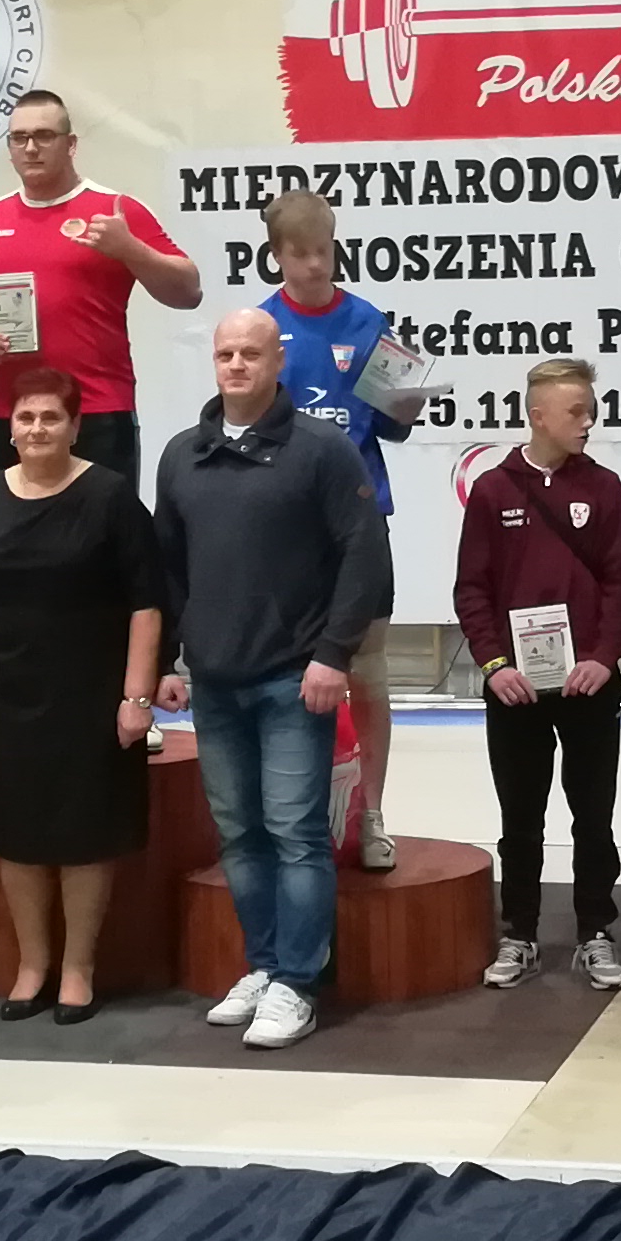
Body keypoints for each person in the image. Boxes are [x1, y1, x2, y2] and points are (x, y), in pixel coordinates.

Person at [153, 308, 391, 1054]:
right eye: (225, 353)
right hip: (214, 683)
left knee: (295, 833)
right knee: (239, 833)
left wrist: (333, 656)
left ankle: (298, 983)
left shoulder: (322, 451)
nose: (236, 365)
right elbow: (168, 568)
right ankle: (262, 965)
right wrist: (165, 660)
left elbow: (364, 557)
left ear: (277, 360)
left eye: (250, 353)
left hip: (296, 679)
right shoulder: (182, 455)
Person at [0, 361, 165, 1024]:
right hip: (5, 695)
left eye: (51, 417)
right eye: (26, 417)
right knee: (16, 834)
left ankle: (78, 969)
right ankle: (32, 965)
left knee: (84, 834)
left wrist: (137, 697)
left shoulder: (111, 496)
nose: (37, 427)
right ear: (9, 428)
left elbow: (147, 604)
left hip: (91, 696)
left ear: (75, 427)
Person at [456, 356, 621, 991]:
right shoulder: (494, 489)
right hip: (516, 688)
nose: (589, 421)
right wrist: (494, 664)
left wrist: (603, 656)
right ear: (538, 416)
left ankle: (596, 932)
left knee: (594, 814)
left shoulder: (605, 488)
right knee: (520, 817)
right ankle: (520, 933)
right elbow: (472, 589)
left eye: (591, 409)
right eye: (576, 411)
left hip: (588, 683)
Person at [256, 190, 420, 869]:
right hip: (289, 528)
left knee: (367, 671)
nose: (315, 265)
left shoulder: (368, 321)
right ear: (277, 256)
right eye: (300, 254)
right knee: (289, 673)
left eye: (324, 251)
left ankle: (371, 813)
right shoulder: (263, 328)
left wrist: (406, 404)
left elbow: (392, 426)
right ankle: (298, 817)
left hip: (360, 520)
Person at [0, 89, 201, 482]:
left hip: (98, 411)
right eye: (19, 138)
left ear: (70, 144)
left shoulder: (114, 210)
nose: (31, 148)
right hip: (13, 414)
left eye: (44, 136)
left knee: (104, 523)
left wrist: (130, 249)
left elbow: (188, 292)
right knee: (3, 522)